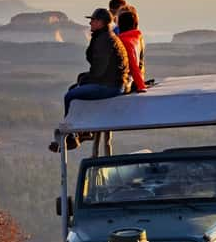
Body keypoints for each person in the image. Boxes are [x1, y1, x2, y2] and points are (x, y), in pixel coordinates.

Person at [50, 8, 130, 152]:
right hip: (109, 82)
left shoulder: (105, 40)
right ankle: (84, 132)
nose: (90, 22)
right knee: (74, 89)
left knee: (70, 96)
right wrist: (84, 78)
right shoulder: (103, 37)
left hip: (111, 86)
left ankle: (71, 136)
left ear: (101, 22)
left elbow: (99, 71)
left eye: (93, 20)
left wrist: (85, 79)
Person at [116, 8, 146, 93]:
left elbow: (133, 65)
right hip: (131, 81)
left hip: (124, 83)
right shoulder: (136, 38)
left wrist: (141, 86)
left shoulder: (124, 41)